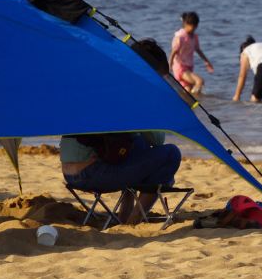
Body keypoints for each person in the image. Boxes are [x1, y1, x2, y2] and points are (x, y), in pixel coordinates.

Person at [60, 38, 182, 224]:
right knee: (171, 154)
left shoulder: (107, 82)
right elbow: (157, 140)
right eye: (158, 78)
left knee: (138, 145)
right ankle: (132, 222)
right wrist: (155, 105)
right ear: (148, 71)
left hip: (71, 173)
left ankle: (125, 214)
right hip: (92, 172)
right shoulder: (134, 92)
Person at [170, 11, 213, 95]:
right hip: (180, 68)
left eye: (195, 27)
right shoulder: (181, 37)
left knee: (187, 91)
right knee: (199, 81)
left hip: (189, 67)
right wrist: (170, 64)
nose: (194, 29)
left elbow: (198, 50)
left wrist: (207, 61)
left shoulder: (194, 37)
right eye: (192, 26)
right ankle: (197, 100)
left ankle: (189, 105)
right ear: (186, 24)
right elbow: (174, 52)